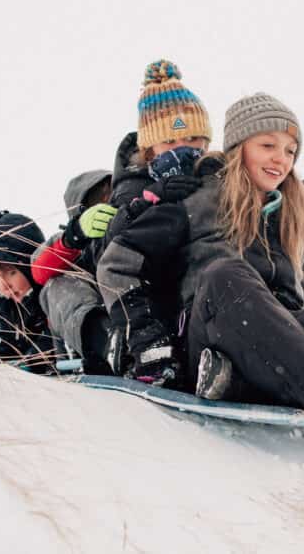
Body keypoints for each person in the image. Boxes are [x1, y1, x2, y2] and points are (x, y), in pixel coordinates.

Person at [97, 92, 304, 415]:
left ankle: (244, 384)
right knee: (225, 276)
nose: (281, 159)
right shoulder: (196, 197)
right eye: (268, 146)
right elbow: (118, 265)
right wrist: (149, 341)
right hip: (210, 339)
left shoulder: (296, 216)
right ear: (238, 147)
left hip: (277, 340)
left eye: (290, 150)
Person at [90, 59, 214, 385]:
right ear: (150, 150)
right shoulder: (131, 186)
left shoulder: (213, 179)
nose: (183, 150)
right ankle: (148, 351)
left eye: (192, 140)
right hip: (147, 299)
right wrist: (146, 200)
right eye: (170, 142)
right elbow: (108, 253)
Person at [30, 170, 122, 374]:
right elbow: (39, 270)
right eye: (99, 203)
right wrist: (75, 237)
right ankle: (106, 343)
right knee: (56, 286)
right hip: (93, 340)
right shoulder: (75, 247)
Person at [0, 210, 64, 375]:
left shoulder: (54, 292)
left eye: (11, 272)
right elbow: (10, 344)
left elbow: (55, 337)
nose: (4, 285)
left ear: (29, 264)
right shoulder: (8, 307)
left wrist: (32, 360)